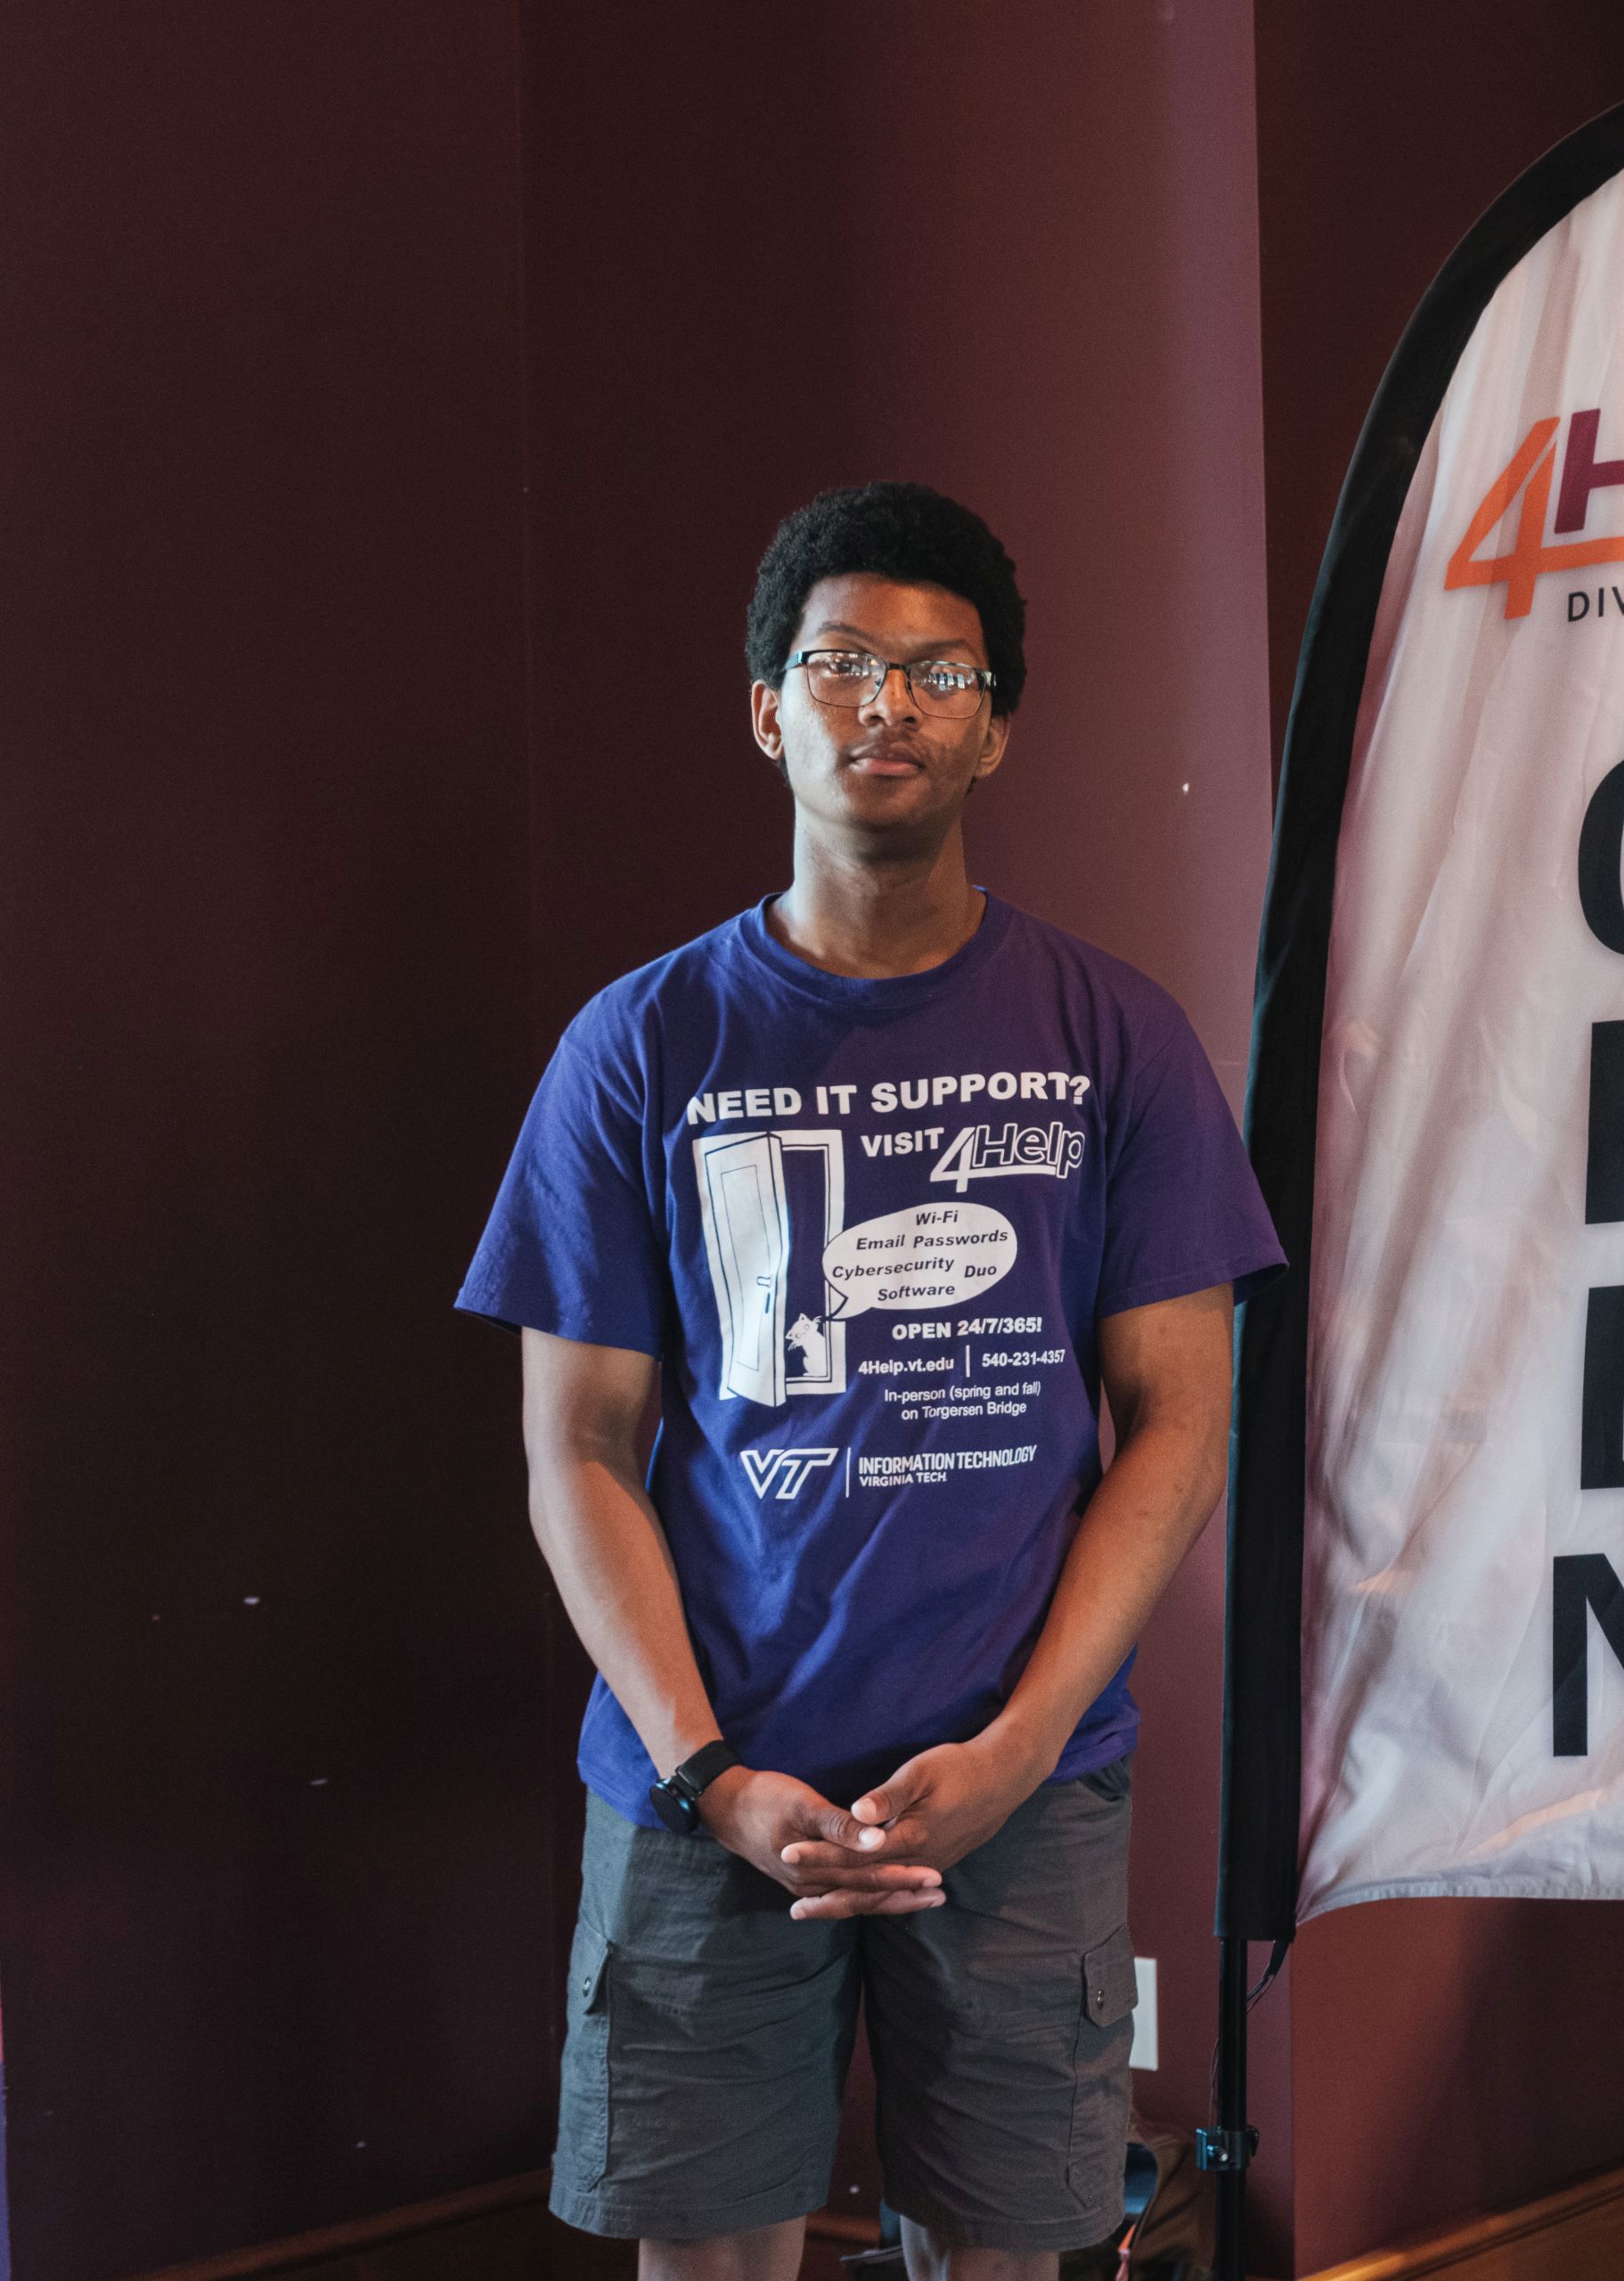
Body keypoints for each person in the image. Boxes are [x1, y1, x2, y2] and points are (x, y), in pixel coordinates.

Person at [460, 483, 1282, 2279]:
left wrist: (1019, 1741)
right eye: (840, 664)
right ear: (770, 710)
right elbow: (576, 1448)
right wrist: (705, 1769)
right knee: (707, 2258)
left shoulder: (1114, 1036)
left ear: (995, 721)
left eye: (935, 670)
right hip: (707, 1779)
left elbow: (1183, 1419)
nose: (884, 705)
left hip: (1015, 1778)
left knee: (1001, 2252)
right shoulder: (643, 1044)